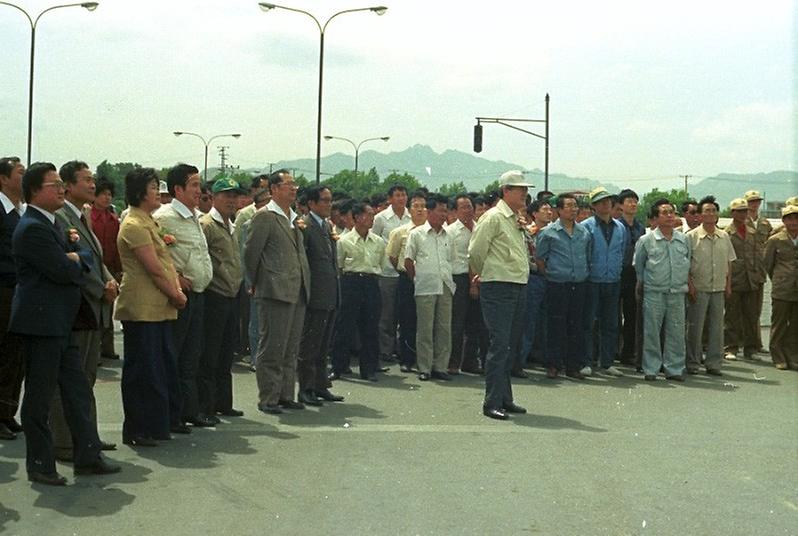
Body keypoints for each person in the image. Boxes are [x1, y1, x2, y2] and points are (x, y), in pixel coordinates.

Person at [10, 162, 120, 485]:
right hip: (42, 325)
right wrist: (74, 259)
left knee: (76, 391)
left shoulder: (54, 224)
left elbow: (82, 258)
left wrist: (75, 258)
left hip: (62, 324)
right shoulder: (32, 227)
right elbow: (64, 269)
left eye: (61, 184)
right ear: (34, 191)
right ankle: (41, 464)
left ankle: (87, 455)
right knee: (39, 398)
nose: (60, 190)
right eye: (53, 185)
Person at [51, 161, 119, 461]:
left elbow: (94, 255)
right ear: (67, 185)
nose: (92, 185)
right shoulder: (62, 215)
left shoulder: (84, 215)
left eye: (93, 180)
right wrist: (99, 286)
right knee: (70, 378)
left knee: (87, 376)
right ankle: (65, 442)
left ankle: (86, 435)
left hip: (94, 308)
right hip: (78, 308)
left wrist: (109, 278)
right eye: (86, 180)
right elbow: (75, 260)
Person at [115, 167, 186, 445]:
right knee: (143, 371)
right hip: (142, 307)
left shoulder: (149, 221)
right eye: (154, 187)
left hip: (158, 307)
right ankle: (137, 428)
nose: (158, 192)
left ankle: (156, 424)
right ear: (139, 192)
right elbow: (154, 269)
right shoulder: (133, 224)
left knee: (159, 367)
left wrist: (175, 290)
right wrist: (176, 294)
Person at [244, 170, 311, 414]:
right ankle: (268, 397)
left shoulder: (293, 218)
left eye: (295, 184)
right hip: (274, 290)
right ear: (273, 189)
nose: (293, 189)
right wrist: (258, 282)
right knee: (272, 346)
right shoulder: (265, 216)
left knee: (291, 347)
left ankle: (285, 394)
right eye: (288, 184)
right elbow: (251, 254)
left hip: (297, 289)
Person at [154, 164, 214, 428]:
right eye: (193, 185)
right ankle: (171, 414)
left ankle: (189, 410)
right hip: (178, 296)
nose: (198, 191)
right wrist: (175, 278)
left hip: (199, 294)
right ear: (177, 189)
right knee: (175, 356)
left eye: (199, 185)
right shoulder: (165, 217)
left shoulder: (195, 216)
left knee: (192, 356)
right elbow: (157, 254)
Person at [468, 170, 532, 420]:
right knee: (499, 344)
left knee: (509, 344)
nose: (525, 194)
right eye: (520, 189)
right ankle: (491, 401)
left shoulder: (515, 217)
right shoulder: (493, 217)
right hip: (499, 285)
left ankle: (505, 397)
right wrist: (486, 274)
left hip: (517, 284)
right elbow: (475, 251)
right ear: (506, 191)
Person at [198, 177, 246, 420]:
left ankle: (223, 403)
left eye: (234, 195)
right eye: (226, 195)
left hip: (232, 295)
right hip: (214, 295)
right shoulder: (206, 224)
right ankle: (205, 407)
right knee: (210, 354)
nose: (231, 200)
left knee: (227, 353)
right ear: (214, 197)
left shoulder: (233, 225)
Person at [296, 185, 344, 406]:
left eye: (330, 200)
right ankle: (306, 388)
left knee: (324, 345)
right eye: (324, 200)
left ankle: (321, 385)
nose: (328, 204)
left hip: (330, 294)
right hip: (315, 295)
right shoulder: (305, 226)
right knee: (310, 345)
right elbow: (303, 262)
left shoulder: (327, 225)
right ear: (312, 203)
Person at [634, 199, 692, 381]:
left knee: (676, 332)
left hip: (677, 293)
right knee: (651, 331)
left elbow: (688, 262)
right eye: (664, 213)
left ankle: (674, 369)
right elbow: (639, 265)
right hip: (654, 292)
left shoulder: (683, 239)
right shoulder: (646, 240)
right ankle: (651, 368)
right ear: (656, 218)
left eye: (671, 212)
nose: (669, 216)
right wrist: (642, 283)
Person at [536, 193, 592, 380]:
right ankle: (553, 365)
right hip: (557, 284)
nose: (573, 209)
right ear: (558, 210)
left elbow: (588, 255)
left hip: (579, 284)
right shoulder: (548, 232)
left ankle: (572, 366)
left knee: (576, 326)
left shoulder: (584, 232)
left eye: (575, 206)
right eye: (569, 206)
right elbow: (540, 259)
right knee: (555, 325)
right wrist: (551, 274)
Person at [329, 203, 386, 382]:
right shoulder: (344, 241)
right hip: (350, 282)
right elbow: (338, 265)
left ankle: (368, 369)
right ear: (357, 218)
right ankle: (339, 367)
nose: (372, 218)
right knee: (344, 326)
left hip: (371, 282)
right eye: (369, 215)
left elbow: (381, 264)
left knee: (370, 327)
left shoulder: (378, 241)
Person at [404, 194, 455, 382]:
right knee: (425, 329)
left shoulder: (449, 234)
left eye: (446, 210)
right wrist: (416, 280)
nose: (444, 214)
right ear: (430, 211)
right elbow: (408, 261)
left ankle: (440, 367)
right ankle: (424, 367)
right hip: (425, 287)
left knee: (444, 329)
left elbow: (452, 259)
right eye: (441, 210)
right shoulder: (416, 234)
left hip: (445, 286)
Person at [685, 196, 735, 376]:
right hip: (698, 288)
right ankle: (692, 362)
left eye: (713, 211)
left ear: (717, 214)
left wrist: (728, 285)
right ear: (700, 214)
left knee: (716, 328)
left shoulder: (724, 236)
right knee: (695, 328)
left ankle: (714, 363)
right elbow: (685, 264)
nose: (710, 214)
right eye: (706, 211)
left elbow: (729, 262)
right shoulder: (691, 237)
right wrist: (690, 285)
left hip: (719, 288)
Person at [582, 187, 628, 377]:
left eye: (608, 201)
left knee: (610, 323)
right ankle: (586, 360)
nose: (606, 204)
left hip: (613, 280)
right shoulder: (586, 226)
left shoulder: (620, 227)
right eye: (601, 201)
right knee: (589, 322)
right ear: (593, 206)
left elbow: (622, 251)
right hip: (592, 280)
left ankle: (607, 362)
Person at [385, 191, 427, 373]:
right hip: (406, 279)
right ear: (410, 209)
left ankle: (423, 359)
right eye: (416, 206)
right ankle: (407, 359)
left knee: (424, 320)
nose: (420, 210)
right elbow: (392, 256)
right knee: (407, 320)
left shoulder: (432, 230)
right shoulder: (399, 232)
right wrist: (404, 271)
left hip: (427, 280)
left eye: (423, 206)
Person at [0, 156, 26, 440]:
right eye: (20, 173)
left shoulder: (21, 211)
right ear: (3, 179)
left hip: (19, 292)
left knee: (15, 356)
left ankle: (7, 412)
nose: (24, 177)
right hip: (3, 290)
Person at [371, 185, 411, 364]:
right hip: (387, 272)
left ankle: (401, 349)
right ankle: (385, 350)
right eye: (397, 195)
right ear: (390, 199)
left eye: (403, 195)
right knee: (386, 314)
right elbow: (374, 243)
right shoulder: (380, 218)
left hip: (406, 272)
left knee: (403, 314)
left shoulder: (412, 217)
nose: (401, 198)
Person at [723, 198, 765, 361]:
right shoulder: (727, 233)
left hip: (751, 279)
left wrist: (759, 277)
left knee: (751, 315)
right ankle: (730, 347)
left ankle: (751, 348)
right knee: (732, 316)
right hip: (734, 279)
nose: (743, 214)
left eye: (745, 211)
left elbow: (758, 255)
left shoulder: (753, 232)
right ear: (732, 212)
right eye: (739, 211)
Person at [447, 194, 482, 374]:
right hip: (459, 279)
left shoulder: (479, 228)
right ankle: (453, 362)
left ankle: (470, 362)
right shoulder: (451, 231)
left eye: (470, 206)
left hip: (478, 278)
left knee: (475, 323)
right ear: (455, 211)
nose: (469, 210)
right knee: (457, 323)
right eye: (464, 207)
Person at [762, 204, 798, 370]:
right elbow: (768, 264)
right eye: (790, 219)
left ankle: (792, 354)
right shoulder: (775, 240)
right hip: (782, 288)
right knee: (779, 323)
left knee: (795, 324)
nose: (794, 222)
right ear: (784, 221)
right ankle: (777, 354)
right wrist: (779, 278)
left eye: (796, 218)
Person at [90, 177, 123, 360]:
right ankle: (95, 351)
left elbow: (117, 245)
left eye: (109, 194)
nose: (107, 198)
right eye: (103, 194)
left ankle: (107, 348)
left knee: (108, 310)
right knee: (95, 310)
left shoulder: (113, 219)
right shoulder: (88, 216)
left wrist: (118, 270)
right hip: (94, 267)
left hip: (110, 267)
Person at [519, 199, 551, 369]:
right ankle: (522, 358)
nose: (549, 212)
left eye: (550, 209)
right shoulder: (528, 232)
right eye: (544, 209)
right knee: (529, 320)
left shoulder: (554, 231)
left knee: (546, 320)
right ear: (535, 214)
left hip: (550, 278)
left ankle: (542, 355)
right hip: (533, 276)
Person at [616, 189, 646, 368]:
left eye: (635, 201)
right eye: (629, 201)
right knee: (612, 315)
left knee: (632, 315)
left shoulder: (640, 227)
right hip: (617, 273)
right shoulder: (615, 225)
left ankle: (628, 353)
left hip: (633, 274)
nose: (633, 204)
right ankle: (612, 351)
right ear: (620, 205)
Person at [744, 190, 773, 353]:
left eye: (757, 201)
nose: (754, 204)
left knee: (756, 309)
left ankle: (756, 343)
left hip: (759, 272)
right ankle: (740, 343)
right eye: (751, 201)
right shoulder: (741, 222)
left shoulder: (764, 223)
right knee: (739, 309)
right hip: (743, 272)